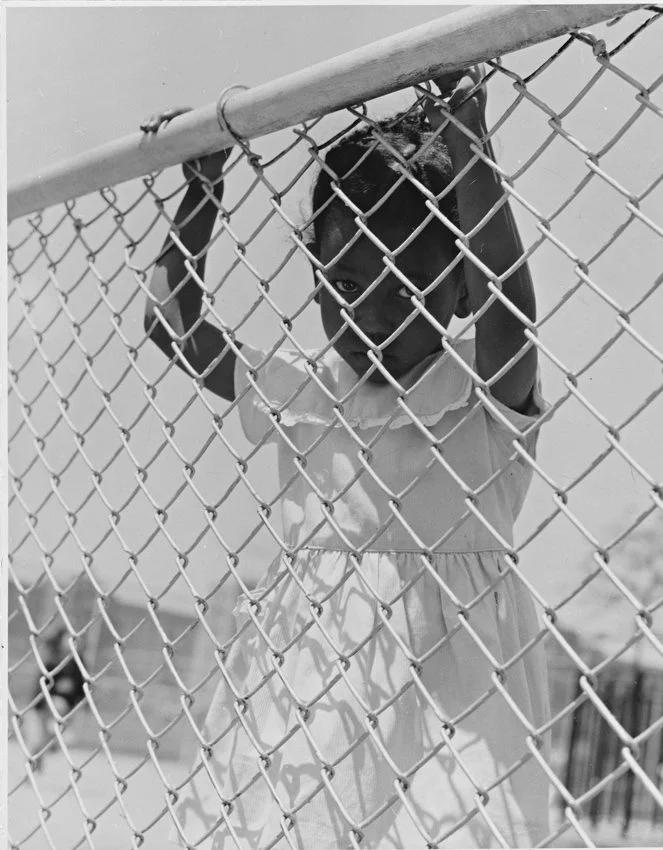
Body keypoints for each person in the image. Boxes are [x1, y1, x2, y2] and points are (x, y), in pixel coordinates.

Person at [142, 66, 551, 849]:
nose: (369, 308)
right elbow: (169, 317)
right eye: (347, 278)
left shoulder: (481, 383)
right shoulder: (303, 386)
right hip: (308, 683)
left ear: (459, 288)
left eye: (405, 283)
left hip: (456, 695)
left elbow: (508, 298)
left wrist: (469, 137)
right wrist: (202, 183)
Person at [26, 627, 86, 771]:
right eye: (69, 641)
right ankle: (36, 765)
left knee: (57, 708)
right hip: (43, 706)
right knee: (38, 740)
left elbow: (82, 690)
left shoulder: (79, 665)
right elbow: (40, 688)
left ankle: (54, 737)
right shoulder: (53, 662)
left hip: (64, 709)